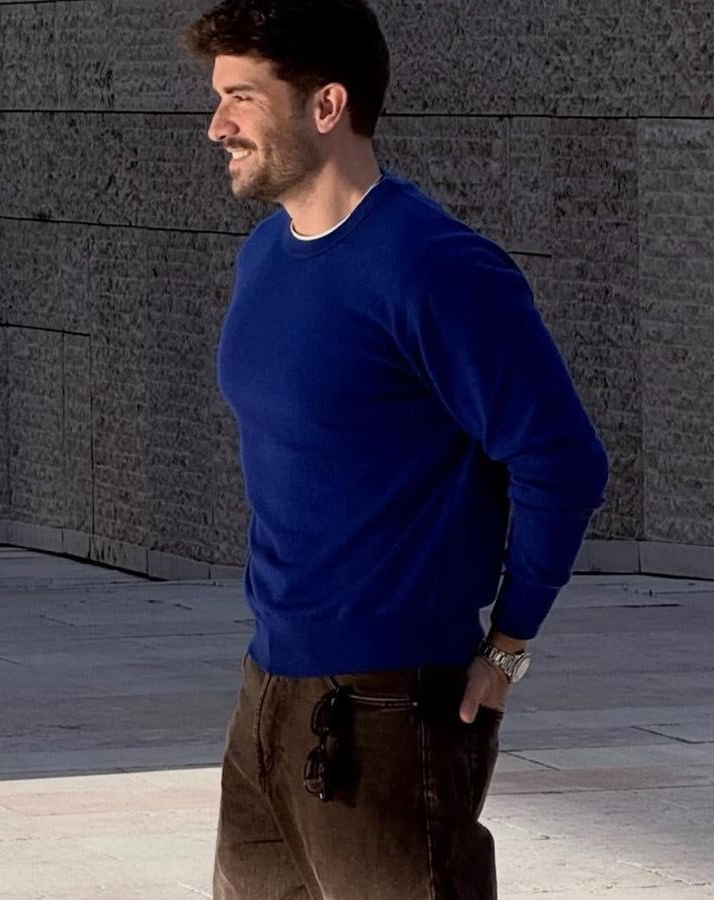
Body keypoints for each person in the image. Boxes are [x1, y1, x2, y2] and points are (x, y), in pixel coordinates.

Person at [181, 2, 609, 898]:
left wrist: (508, 647)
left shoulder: (435, 267)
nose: (218, 125)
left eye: (242, 98)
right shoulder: (265, 256)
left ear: (326, 105)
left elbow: (562, 459)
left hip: (387, 705)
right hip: (266, 695)